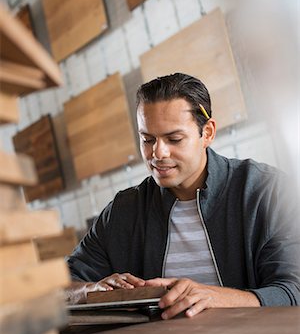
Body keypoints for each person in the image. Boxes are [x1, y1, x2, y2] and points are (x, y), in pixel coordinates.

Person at [66, 73, 300, 318]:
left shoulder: (266, 191)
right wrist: (91, 290)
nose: (158, 153)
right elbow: (59, 288)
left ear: (207, 133)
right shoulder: (124, 211)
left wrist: (215, 296)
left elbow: (292, 290)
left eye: (173, 139)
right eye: (147, 139)